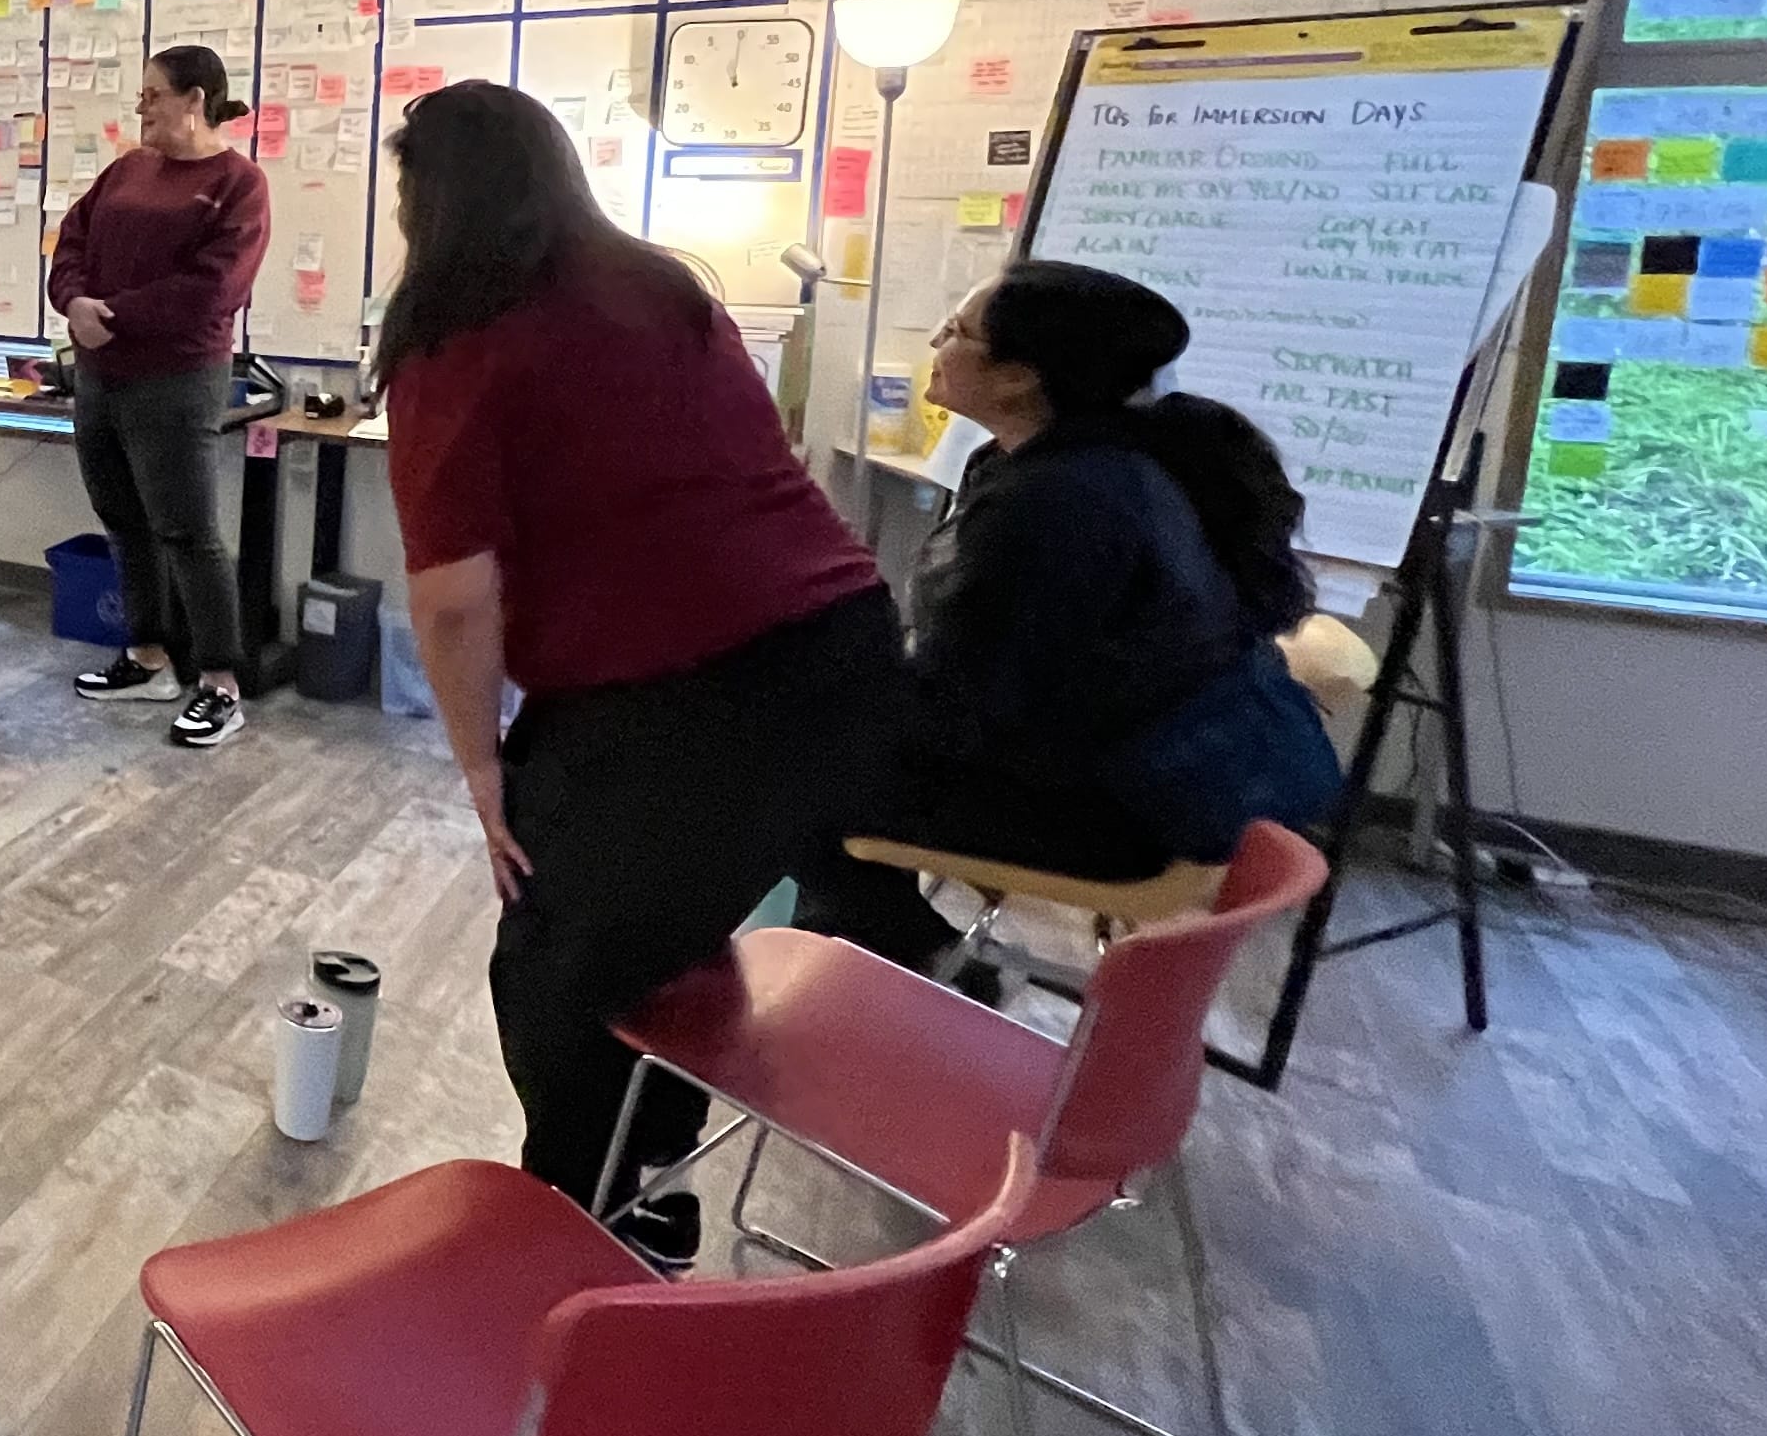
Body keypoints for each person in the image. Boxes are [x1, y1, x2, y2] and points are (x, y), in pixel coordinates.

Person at [378, 81, 900, 1265]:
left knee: (557, 963)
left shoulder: (460, 339)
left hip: (695, 694)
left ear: (430, 201)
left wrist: (478, 769)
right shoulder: (665, 292)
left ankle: (591, 1236)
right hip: (845, 654)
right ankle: (643, 1185)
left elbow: (457, 597)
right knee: (648, 936)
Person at [804, 262, 1346, 972]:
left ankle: (911, 965)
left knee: (790, 777)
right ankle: (888, 956)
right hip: (1121, 769)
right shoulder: (1074, 463)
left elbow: (968, 705)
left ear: (1018, 377)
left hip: (1123, 813)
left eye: (958, 332)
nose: (938, 341)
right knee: (813, 747)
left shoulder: (1062, 503)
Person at [45, 42, 272, 750]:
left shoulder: (239, 183)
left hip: (176, 378)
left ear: (195, 99)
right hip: (100, 375)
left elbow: (216, 286)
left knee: (188, 531)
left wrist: (112, 315)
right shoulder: (125, 172)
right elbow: (69, 245)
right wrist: (75, 301)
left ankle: (220, 686)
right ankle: (148, 659)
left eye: (152, 93)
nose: (140, 106)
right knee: (123, 519)